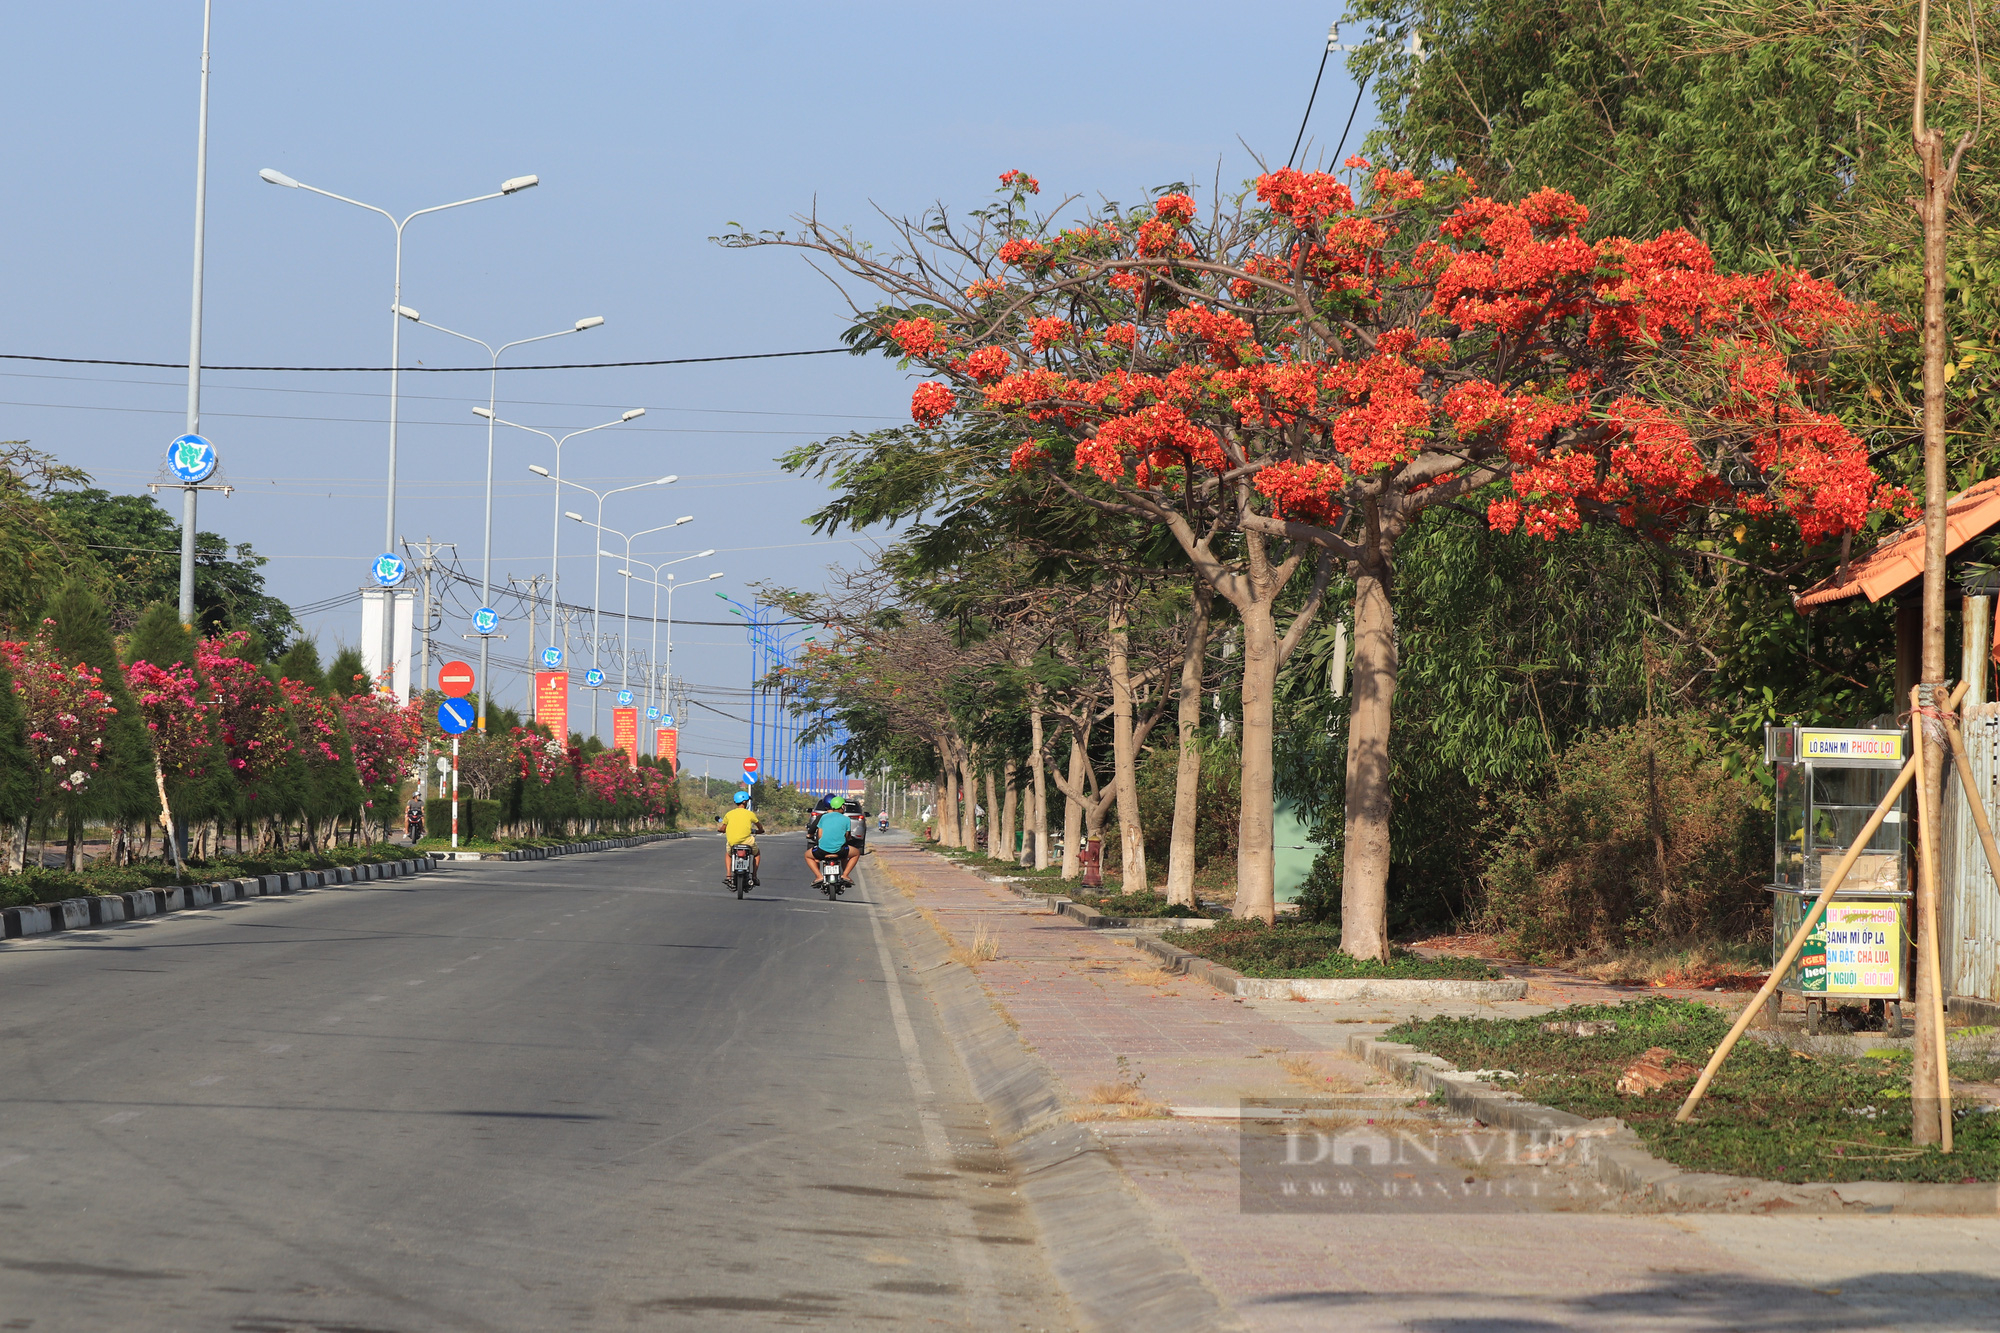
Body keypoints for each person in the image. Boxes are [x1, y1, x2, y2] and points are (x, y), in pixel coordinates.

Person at [716, 790, 763, 887]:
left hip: (733, 842)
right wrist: (759, 831)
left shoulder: (729, 814)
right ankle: (754, 876)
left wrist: (720, 830)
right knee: (757, 854)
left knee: (728, 854)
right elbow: (760, 827)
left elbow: (723, 828)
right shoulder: (750, 814)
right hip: (747, 842)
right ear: (745, 802)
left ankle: (728, 875)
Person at [805, 795, 853, 885]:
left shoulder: (823, 817)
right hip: (840, 850)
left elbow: (819, 834)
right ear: (842, 806)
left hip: (822, 850)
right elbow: (847, 836)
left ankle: (819, 876)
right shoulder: (846, 819)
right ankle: (845, 875)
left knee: (807, 856)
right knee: (856, 853)